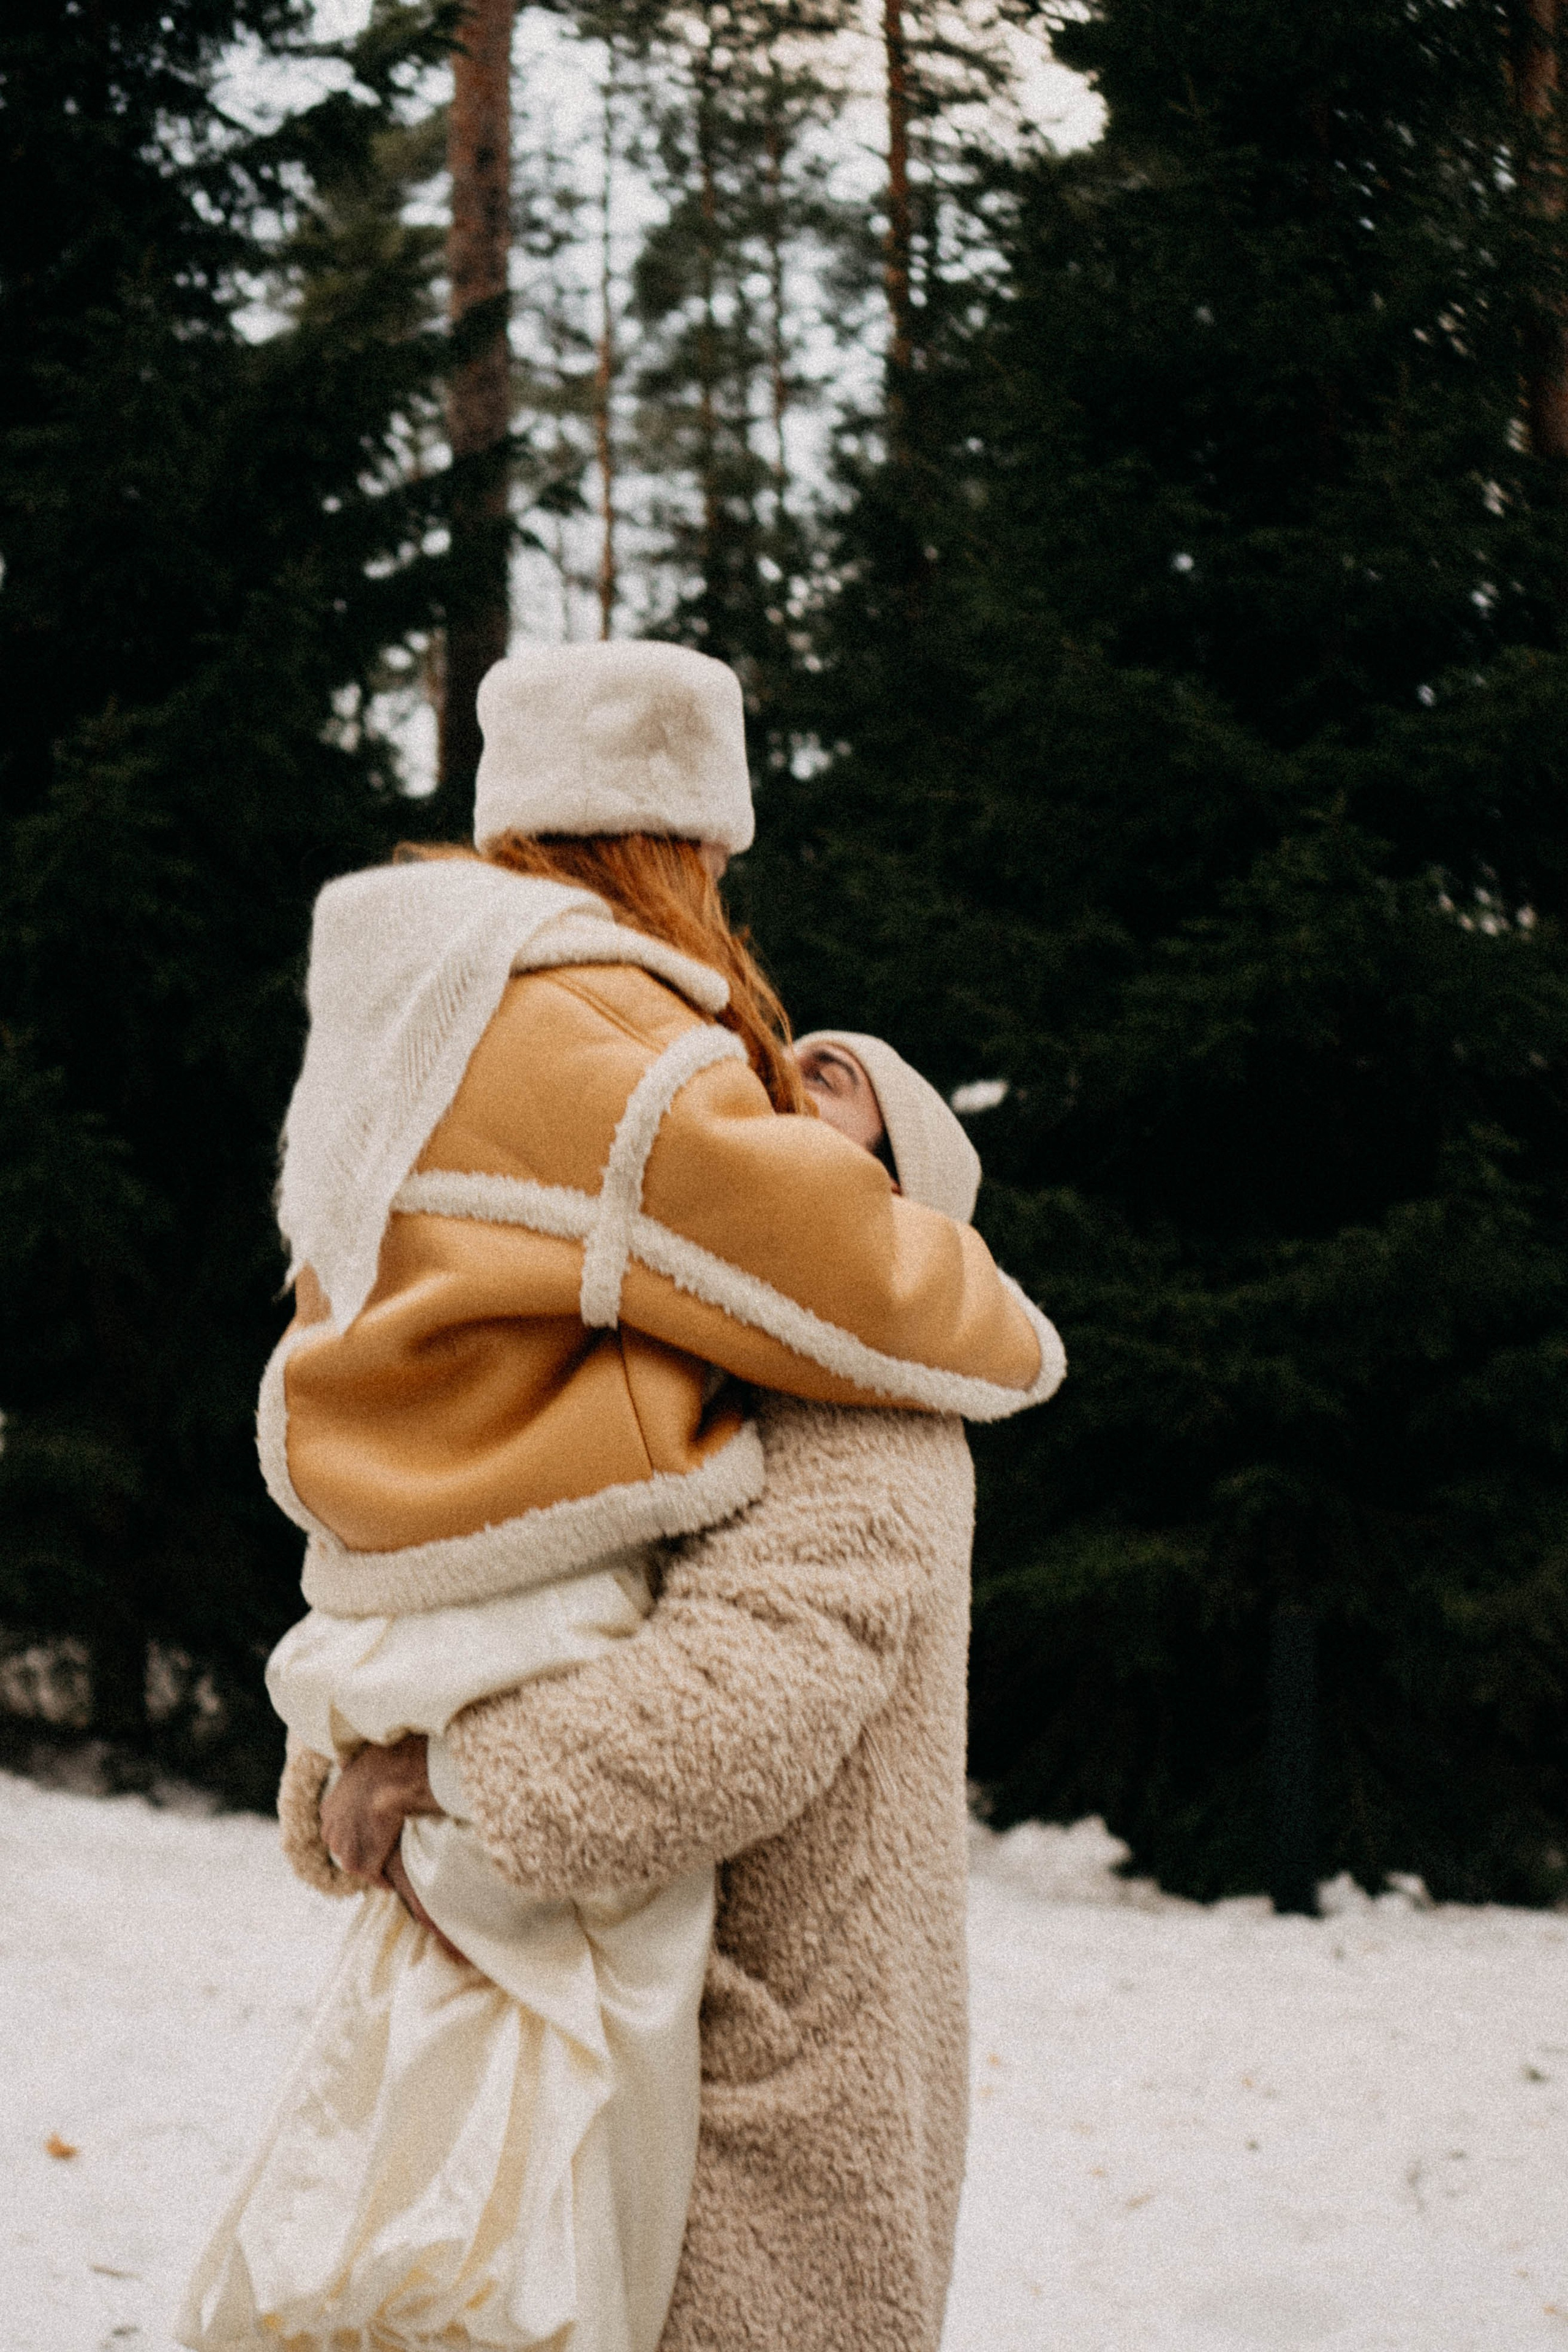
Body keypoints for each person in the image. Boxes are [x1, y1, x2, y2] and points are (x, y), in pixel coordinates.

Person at [186, 638, 1065, 2352]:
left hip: (772, 2112)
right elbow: (494, 1563)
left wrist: (437, 1771)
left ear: (890, 1207)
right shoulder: (679, 1375)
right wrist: (363, 1747)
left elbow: (743, 1701)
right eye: (798, 1069)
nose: (789, 1093)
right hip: (605, 2059)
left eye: (839, 1104)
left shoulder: (877, 1424)